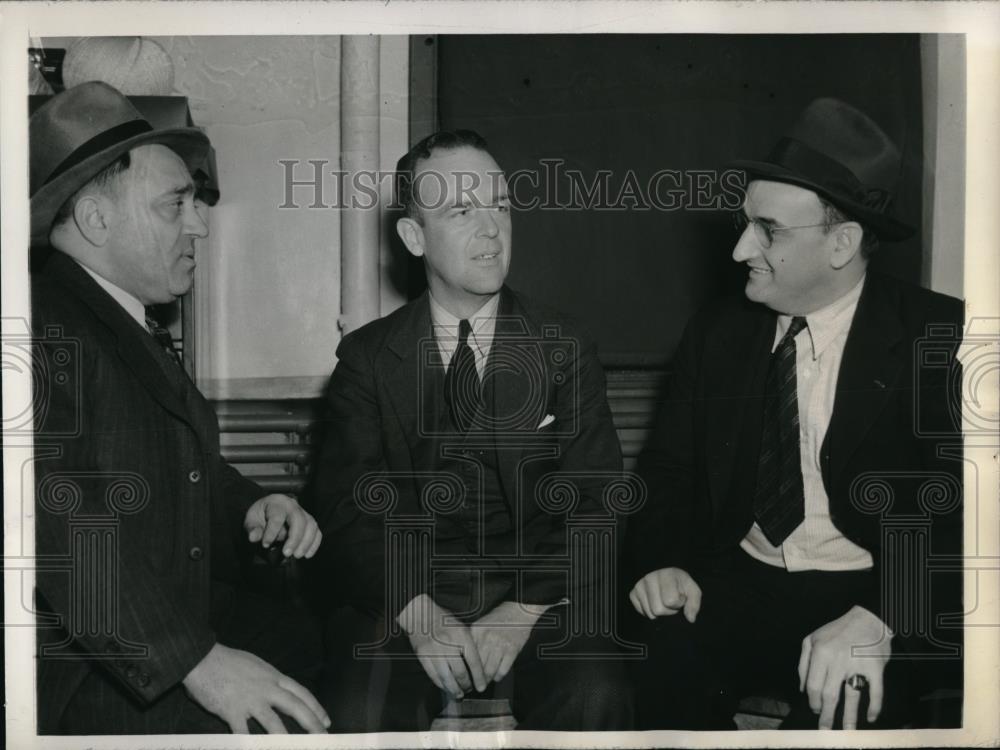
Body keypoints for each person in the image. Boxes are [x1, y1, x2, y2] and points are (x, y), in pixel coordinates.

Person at [626, 98, 963, 730]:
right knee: (652, 663)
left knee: (850, 703)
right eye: (745, 223)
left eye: (769, 230)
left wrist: (884, 615)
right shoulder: (717, 332)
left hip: (873, 588)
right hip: (738, 578)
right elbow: (666, 471)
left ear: (842, 243)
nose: (739, 250)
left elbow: (974, 522)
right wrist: (661, 559)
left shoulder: (941, 336)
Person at [29, 81, 330, 735]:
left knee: (318, 643)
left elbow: (171, 461)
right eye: (175, 205)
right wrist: (198, 663)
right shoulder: (39, 324)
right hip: (89, 667)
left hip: (165, 611)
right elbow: (56, 522)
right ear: (95, 219)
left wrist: (250, 502)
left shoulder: (118, 316)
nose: (199, 224)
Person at [310, 129, 633, 731]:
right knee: (358, 711)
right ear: (413, 237)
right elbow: (346, 507)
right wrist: (416, 610)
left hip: (541, 595)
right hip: (406, 597)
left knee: (595, 695)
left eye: (501, 206)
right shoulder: (368, 359)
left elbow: (597, 502)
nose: (492, 229)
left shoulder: (563, 346)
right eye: (462, 211)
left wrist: (522, 607)